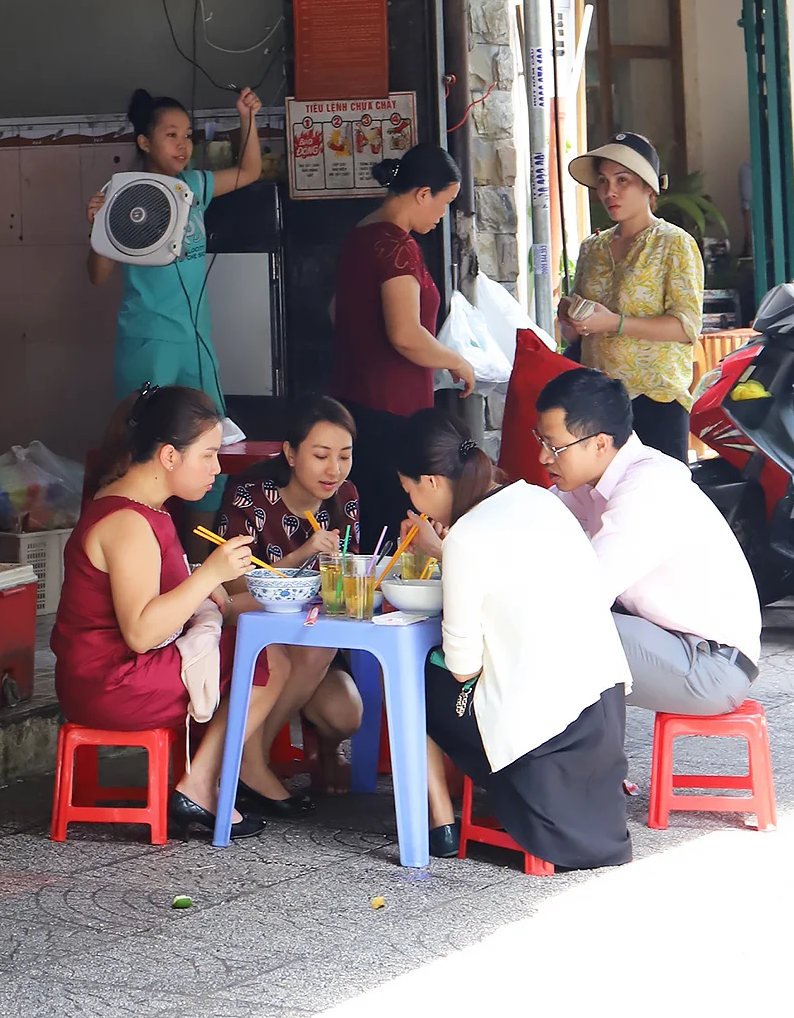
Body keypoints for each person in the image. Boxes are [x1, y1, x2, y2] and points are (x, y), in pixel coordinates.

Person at [50, 384, 297, 838]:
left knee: (263, 644)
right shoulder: (127, 522)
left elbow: (194, 606)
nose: (217, 468)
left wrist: (283, 596)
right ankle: (200, 784)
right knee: (268, 659)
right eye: (207, 455)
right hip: (112, 682)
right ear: (168, 457)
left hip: (119, 673)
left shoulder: (150, 511)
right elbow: (142, 633)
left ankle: (203, 779)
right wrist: (209, 576)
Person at [397, 411, 631, 869]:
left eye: (410, 490)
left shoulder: (467, 535)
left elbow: (462, 665)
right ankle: (445, 817)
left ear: (430, 481)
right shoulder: (538, 500)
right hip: (602, 708)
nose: (415, 502)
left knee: (413, 680)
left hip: (541, 730)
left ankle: (440, 821)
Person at [533, 368, 761, 716]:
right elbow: (535, 519)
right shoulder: (596, 481)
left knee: (552, 626)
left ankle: (581, 768)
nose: (543, 458)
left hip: (712, 668)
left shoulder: (646, 489)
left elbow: (584, 595)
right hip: (678, 646)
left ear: (599, 443)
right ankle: (585, 767)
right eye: (541, 442)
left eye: (555, 446)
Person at [328, 143, 474, 546]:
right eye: (443, 204)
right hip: (392, 406)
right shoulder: (397, 246)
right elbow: (406, 334)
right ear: (422, 193)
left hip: (353, 400)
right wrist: (456, 361)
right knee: (393, 521)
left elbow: (336, 311)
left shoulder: (361, 234)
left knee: (366, 514)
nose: (442, 216)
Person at [88, 86, 266, 406]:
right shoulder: (127, 197)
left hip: (196, 337)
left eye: (186, 135)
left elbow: (249, 172)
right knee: (146, 439)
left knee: (208, 433)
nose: (182, 144)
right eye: (171, 135)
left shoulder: (195, 186)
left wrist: (248, 117)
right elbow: (97, 276)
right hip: (150, 340)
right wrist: (100, 228)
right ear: (144, 142)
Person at [220, 394, 364, 783]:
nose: (334, 470)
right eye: (321, 456)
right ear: (290, 452)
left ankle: (256, 762)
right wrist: (301, 553)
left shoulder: (345, 498)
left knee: (346, 716)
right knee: (317, 647)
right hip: (256, 636)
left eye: (345, 456)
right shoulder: (249, 494)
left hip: (313, 638)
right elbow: (233, 586)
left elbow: (344, 576)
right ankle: (250, 768)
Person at [561, 131, 705, 463]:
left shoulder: (674, 244)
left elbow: (685, 327)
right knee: (600, 504)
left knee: (656, 506)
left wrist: (613, 322)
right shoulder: (592, 248)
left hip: (656, 399)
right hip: (598, 404)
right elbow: (575, 331)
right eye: (603, 181)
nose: (610, 191)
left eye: (622, 180)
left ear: (648, 186)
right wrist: (570, 318)